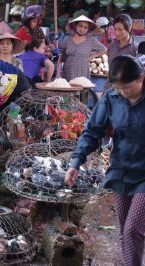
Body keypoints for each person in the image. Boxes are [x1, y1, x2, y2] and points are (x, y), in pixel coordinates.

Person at [65, 55, 145, 266]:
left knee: (132, 230)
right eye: (118, 89)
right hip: (121, 169)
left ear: (141, 79)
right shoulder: (111, 98)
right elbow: (92, 131)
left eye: (126, 88)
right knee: (124, 230)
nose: (122, 94)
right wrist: (76, 162)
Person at [57, 15, 107, 81]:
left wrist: (92, 57)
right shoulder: (67, 40)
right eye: (80, 26)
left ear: (88, 29)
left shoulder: (91, 40)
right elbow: (60, 57)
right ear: (75, 26)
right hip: (67, 72)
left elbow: (104, 50)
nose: (82, 29)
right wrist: (58, 73)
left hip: (82, 72)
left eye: (85, 27)